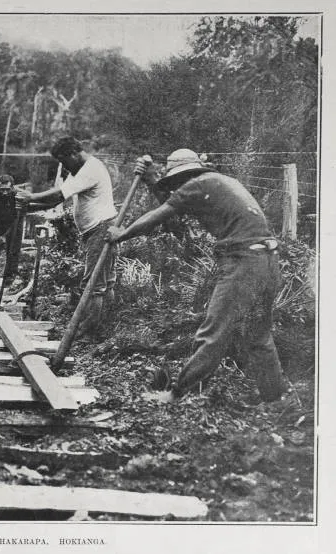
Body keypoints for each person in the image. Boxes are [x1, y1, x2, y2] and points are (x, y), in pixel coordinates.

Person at [106, 148, 287, 403]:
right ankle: (275, 397)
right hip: (267, 260)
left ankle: (177, 393)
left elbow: (158, 216)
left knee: (214, 332)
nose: (175, 187)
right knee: (258, 335)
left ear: (183, 176)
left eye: (174, 181)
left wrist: (121, 234)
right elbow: (172, 207)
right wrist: (149, 180)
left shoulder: (196, 184)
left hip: (243, 263)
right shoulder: (217, 183)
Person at [15, 134, 117, 338]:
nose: (64, 165)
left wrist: (31, 197)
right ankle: (105, 326)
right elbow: (55, 201)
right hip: (96, 229)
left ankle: (89, 330)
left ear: (74, 153)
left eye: (64, 160)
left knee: (95, 283)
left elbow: (59, 195)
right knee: (105, 280)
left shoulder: (91, 169)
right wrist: (29, 207)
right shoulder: (78, 169)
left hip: (101, 228)